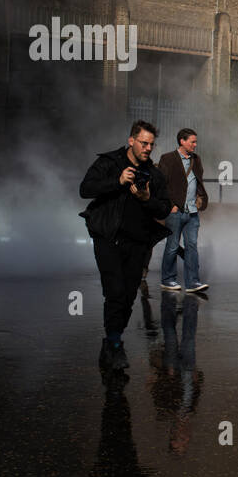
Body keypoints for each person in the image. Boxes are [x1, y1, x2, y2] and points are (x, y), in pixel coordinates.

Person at [80, 120, 172, 370]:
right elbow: (85, 189)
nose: (148, 148)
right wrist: (117, 181)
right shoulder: (110, 162)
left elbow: (165, 207)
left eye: (151, 144)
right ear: (131, 140)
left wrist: (147, 199)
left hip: (138, 241)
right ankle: (115, 343)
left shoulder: (154, 174)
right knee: (115, 292)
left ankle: (112, 340)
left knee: (129, 295)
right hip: (108, 237)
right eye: (143, 143)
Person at [157, 128, 209, 293]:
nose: (195, 144)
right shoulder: (167, 159)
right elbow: (160, 185)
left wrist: (200, 198)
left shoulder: (196, 159)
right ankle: (168, 279)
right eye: (192, 141)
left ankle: (193, 281)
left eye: (195, 141)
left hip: (192, 211)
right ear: (182, 141)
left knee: (192, 246)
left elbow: (198, 181)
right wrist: (170, 204)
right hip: (176, 211)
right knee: (172, 246)